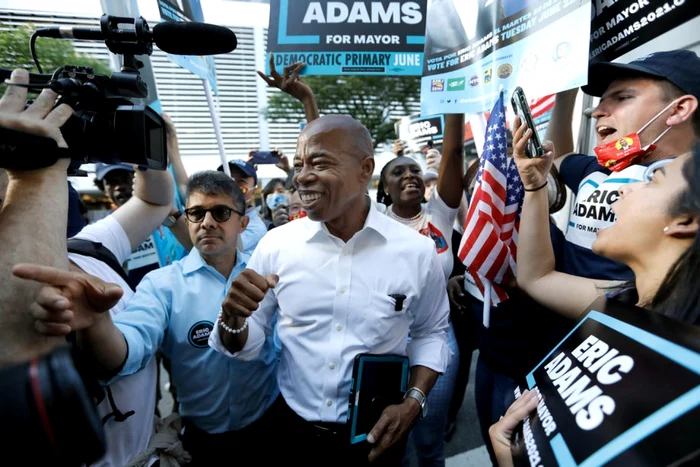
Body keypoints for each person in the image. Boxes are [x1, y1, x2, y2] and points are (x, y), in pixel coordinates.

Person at [209, 115, 451, 466]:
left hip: (376, 440)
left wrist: (413, 403)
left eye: (319, 163)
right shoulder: (276, 245)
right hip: (293, 432)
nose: (302, 176)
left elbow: (431, 332)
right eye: (299, 164)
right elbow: (246, 342)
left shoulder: (416, 251)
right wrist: (232, 320)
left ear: (364, 169)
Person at [21, 171, 281, 466]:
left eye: (220, 212)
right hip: (201, 440)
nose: (207, 222)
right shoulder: (162, 285)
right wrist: (97, 322)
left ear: (243, 223)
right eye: (196, 213)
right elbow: (129, 346)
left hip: (268, 425)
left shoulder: (266, 274)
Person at [379, 117, 465, 467]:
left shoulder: (440, 216)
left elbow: (454, 151)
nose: (410, 175)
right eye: (398, 172)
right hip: (384, 344)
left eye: (414, 169)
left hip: (438, 340)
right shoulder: (371, 221)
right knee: (392, 442)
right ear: (384, 187)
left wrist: (455, 97)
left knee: (429, 441)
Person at [217, 158, 267, 256]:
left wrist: (177, 216)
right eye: (226, 179)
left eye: (241, 182)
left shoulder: (255, 229)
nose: (232, 187)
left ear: (254, 191)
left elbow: (216, 251)